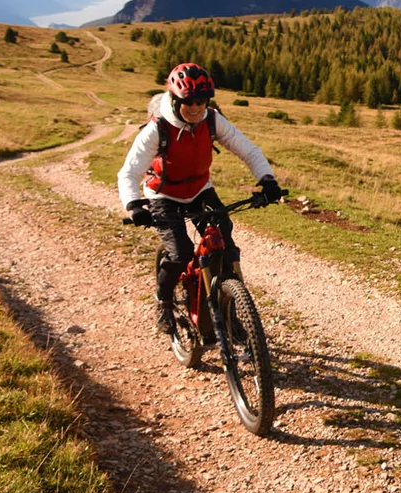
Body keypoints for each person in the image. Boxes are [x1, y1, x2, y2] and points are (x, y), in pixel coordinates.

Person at [118, 62, 283, 334]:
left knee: (225, 245)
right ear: (174, 98)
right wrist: (134, 204)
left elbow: (248, 150)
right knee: (180, 253)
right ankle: (164, 302)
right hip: (163, 195)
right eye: (188, 101)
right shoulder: (157, 128)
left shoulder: (211, 119)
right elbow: (129, 171)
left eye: (201, 100)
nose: (195, 107)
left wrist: (267, 180)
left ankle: (231, 309)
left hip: (199, 190)